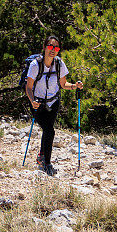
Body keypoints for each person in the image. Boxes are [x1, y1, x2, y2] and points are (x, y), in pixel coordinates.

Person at [25, 34, 83, 176]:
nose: (53, 49)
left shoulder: (59, 64)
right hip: (38, 104)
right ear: (44, 48)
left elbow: (63, 84)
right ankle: (47, 163)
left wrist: (74, 86)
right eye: (50, 46)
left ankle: (41, 156)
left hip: (54, 101)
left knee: (48, 130)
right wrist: (32, 101)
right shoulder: (35, 65)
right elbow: (28, 87)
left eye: (56, 47)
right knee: (50, 131)